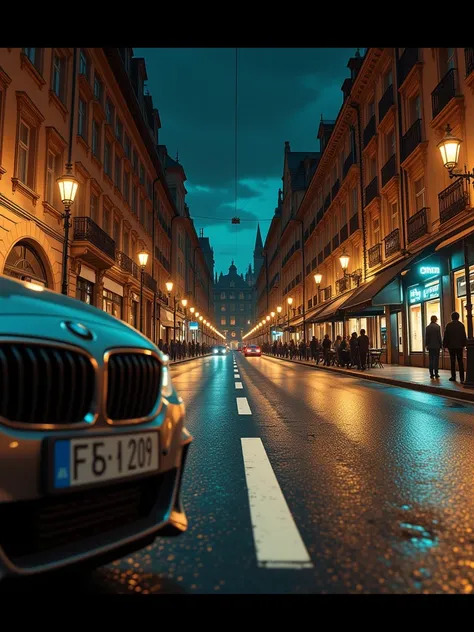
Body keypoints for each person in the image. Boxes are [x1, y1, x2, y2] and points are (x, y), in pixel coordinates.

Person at [443, 311, 467, 382]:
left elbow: (446, 336)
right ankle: (462, 378)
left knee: (452, 362)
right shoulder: (461, 325)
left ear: (452, 318)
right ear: (458, 317)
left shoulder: (448, 325)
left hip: (451, 346)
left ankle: (453, 377)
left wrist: (445, 345)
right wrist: (464, 345)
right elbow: (463, 336)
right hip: (459, 346)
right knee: (460, 362)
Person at [425, 314, 442, 379]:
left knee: (431, 360)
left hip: (430, 346)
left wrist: (426, 345)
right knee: (436, 360)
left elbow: (427, 337)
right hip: (436, 346)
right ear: (435, 320)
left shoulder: (427, 327)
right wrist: (441, 345)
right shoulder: (437, 327)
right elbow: (439, 337)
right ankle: (436, 373)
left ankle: (431, 374)